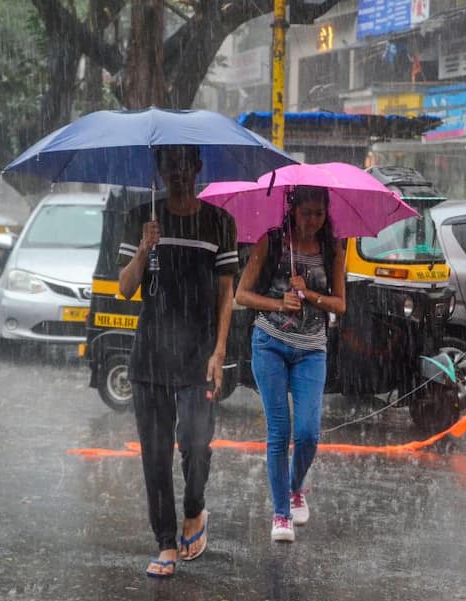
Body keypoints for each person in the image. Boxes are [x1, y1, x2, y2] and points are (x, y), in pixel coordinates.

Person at [117, 144, 238, 577]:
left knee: (195, 443)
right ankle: (166, 542)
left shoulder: (219, 221)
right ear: (160, 170)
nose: (178, 173)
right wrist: (144, 249)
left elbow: (226, 293)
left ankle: (195, 506)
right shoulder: (140, 217)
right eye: (170, 165)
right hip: (150, 356)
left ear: (198, 167)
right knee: (154, 455)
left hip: (198, 355)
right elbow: (125, 288)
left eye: (185, 164)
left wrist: (219, 350)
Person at [235, 185, 345, 542]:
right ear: (292, 210)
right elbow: (242, 294)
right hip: (270, 344)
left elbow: (340, 304)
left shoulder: (333, 249)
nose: (312, 221)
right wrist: (280, 303)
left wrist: (309, 294)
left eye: (319, 214)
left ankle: (295, 487)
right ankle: (281, 513)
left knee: (308, 433)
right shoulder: (271, 242)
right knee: (279, 431)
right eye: (306, 213)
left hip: (311, 350)